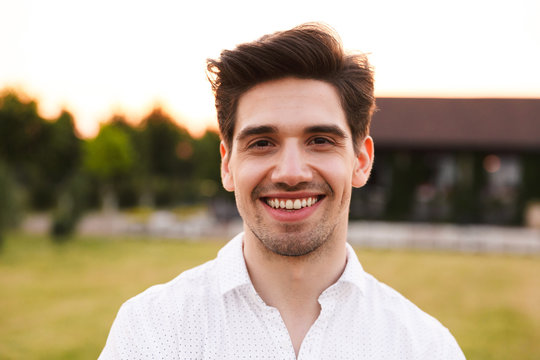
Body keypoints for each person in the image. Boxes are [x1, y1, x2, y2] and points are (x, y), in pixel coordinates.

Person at [99, 23, 465, 359]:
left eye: (320, 140)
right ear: (227, 165)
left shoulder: (425, 347)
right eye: (261, 143)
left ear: (361, 161)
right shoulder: (149, 333)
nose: (291, 173)